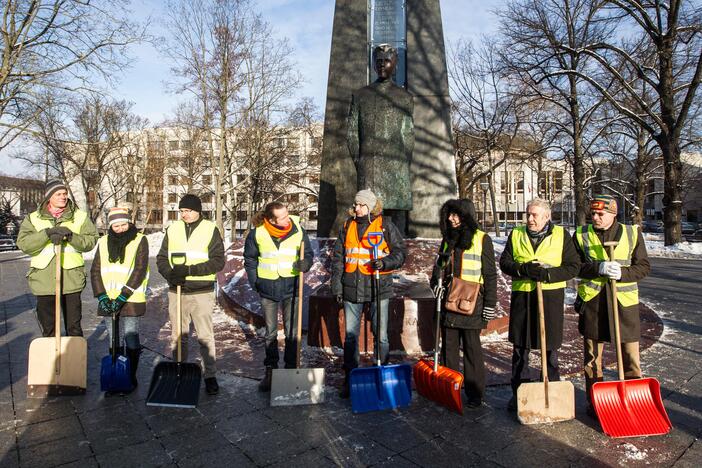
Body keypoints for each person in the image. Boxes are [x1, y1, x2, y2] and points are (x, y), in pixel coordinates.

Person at [499, 198, 581, 411]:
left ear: (547, 217)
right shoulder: (516, 234)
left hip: (550, 297)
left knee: (550, 348)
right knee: (520, 348)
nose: (530, 219)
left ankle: (552, 389)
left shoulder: (561, 235)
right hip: (523, 299)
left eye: (535, 215)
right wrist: (523, 269)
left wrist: (547, 274)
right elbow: (505, 263)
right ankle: (519, 393)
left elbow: (573, 267)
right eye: (528, 214)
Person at [572, 194, 650, 416]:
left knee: (630, 357)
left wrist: (623, 273)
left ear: (613, 214)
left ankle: (634, 401)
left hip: (624, 304)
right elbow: (574, 266)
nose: (595, 217)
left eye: (600, 214)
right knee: (592, 358)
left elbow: (643, 266)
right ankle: (595, 403)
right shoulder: (580, 234)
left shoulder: (632, 233)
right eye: (593, 214)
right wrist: (598, 268)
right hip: (593, 304)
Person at [331, 189, 407, 398]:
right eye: (356, 204)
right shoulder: (347, 226)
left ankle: (380, 371)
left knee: (381, 335)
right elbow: (338, 259)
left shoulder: (385, 226)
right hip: (351, 289)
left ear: (372, 207)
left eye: (361, 205)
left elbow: (400, 252)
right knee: (351, 337)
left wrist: (384, 263)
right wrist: (337, 286)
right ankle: (350, 376)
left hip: (378, 288)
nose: (357, 208)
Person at [429, 199, 497, 409]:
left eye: (456, 214)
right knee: (449, 348)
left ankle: (475, 393)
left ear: (466, 215)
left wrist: (489, 304)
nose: (451, 218)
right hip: (450, 300)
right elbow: (439, 266)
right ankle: (451, 388)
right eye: (449, 214)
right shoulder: (448, 239)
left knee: (471, 349)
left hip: (472, 302)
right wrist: (435, 284)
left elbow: (490, 274)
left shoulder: (482, 239)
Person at [156, 194, 225, 395]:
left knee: (205, 335)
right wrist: (171, 275)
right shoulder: (173, 229)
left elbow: (217, 261)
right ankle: (179, 370)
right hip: (176, 290)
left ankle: (210, 375)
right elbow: (161, 258)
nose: (184, 214)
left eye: (188, 211)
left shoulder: (209, 229)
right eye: (182, 211)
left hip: (201, 291)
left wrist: (188, 270)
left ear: (198, 211)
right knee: (178, 335)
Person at [243, 202, 314, 392]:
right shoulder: (257, 233)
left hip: (292, 287)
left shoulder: (298, 229)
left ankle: (291, 369)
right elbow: (250, 259)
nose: (287, 218)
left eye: (287, 214)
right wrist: (255, 282)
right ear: (271, 219)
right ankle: (271, 370)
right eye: (282, 217)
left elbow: (308, 253)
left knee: (292, 332)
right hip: (268, 287)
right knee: (271, 333)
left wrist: (305, 263)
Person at [16, 179, 98, 337]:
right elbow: (24, 244)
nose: (63, 197)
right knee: (48, 328)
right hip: (43, 280)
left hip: (71, 278)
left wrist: (71, 236)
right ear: (49, 197)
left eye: (65, 194)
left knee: (74, 327)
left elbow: (90, 241)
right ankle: (52, 359)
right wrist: (46, 234)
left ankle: (72, 359)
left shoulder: (79, 217)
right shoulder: (33, 218)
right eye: (59, 194)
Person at [347, 44, 414, 234]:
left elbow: (408, 134)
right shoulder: (360, 95)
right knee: (368, 216)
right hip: (369, 166)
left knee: (396, 224)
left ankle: (396, 257)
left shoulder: (404, 97)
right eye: (378, 61)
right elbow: (352, 133)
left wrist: (403, 162)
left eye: (387, 60)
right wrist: (359, 161)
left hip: (397, 168)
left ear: (395, 63)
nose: (383, 64)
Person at [90, 207, 149, 391]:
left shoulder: (140, 240)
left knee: (131, 336)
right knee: (113, 339)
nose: (121, 228)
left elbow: (140, 269)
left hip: (131, 297)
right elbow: (95, 270)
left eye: (124, 224)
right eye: (116, 225)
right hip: (108, 297)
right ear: (111, 226)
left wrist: (124, 294)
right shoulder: (103, 242)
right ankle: (116, 374)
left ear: (129, 223)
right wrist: (101, 295)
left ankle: (130, 375)